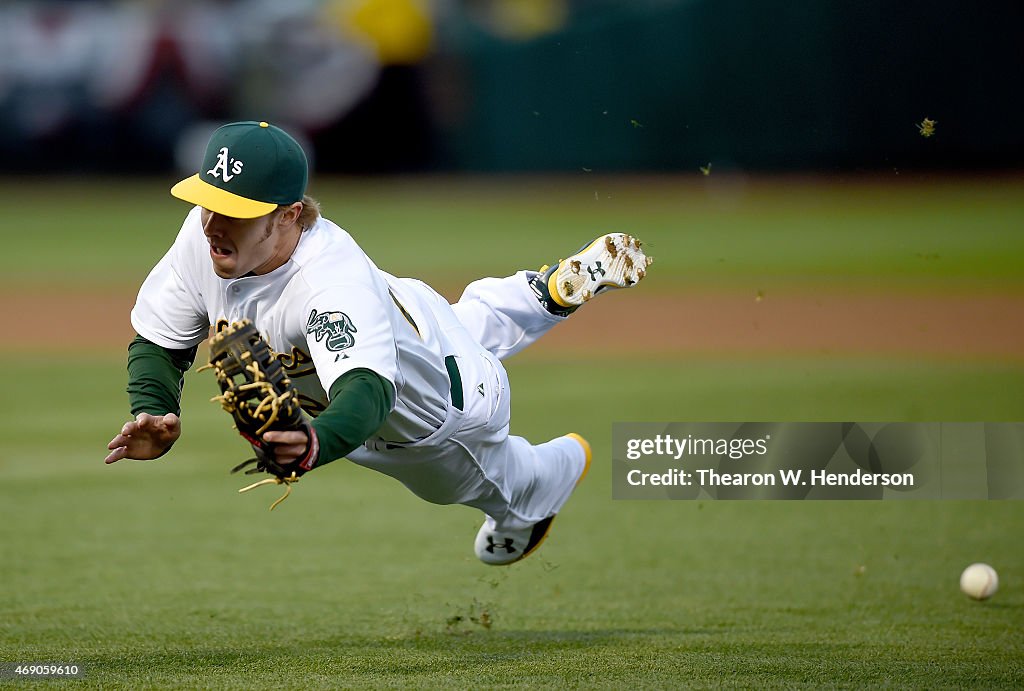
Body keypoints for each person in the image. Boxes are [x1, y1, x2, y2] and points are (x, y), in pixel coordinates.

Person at [104, 121, 651, 565]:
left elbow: (367, 393)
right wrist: (155, 409)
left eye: (237, 212)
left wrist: (315, 443)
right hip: (408, 316)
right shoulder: (205, 235)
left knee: (484, 482)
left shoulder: (329, 286)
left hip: (440, 414)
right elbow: (160, 337)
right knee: (455, 327)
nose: (212, 224)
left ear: (290, 214)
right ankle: (545, 293)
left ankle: (541, 480)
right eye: (208, 202)